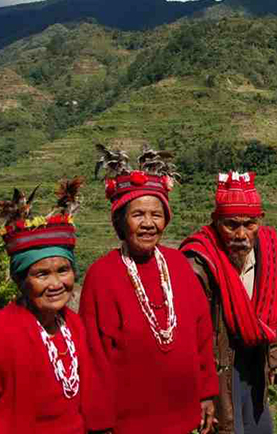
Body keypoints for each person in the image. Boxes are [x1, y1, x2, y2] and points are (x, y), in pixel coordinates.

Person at [80, 144, 218, 434]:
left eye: (156, 215)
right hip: (128, 423)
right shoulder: (102, 276)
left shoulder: (178, 265)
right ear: (121, 221)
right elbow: (95, 356)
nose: (148, 224)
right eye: (138, 215)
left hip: (182, 415)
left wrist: (206, 393)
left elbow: (202, 333)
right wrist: (101, 422)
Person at [0, 178, 91, 434]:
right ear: (20, 279)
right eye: (41, 274)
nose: (56, 283)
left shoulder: (74, 326)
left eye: (63, 270)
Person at [181, 171, 277, 434]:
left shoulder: (267, 249)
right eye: (231, 225)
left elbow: (268, 312)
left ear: (259, 222)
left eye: (249, 224)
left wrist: (273, 357)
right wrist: (202, 392)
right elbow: (192, 336)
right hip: (220, 367)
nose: (241, 234)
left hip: (253, 361)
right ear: (216, 222)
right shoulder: (199, 264)